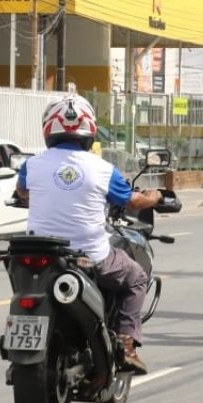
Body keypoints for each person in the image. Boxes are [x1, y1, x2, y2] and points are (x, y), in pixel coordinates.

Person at [16, 94, 162, 374]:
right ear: (89, 131)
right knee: (136, 277)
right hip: (91, 258)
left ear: (48, 130)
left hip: (41, 255)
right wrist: (155, 196)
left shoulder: (31, 165)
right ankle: (126, 344)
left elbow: (23, 192)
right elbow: (133, 202)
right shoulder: (104, 170)